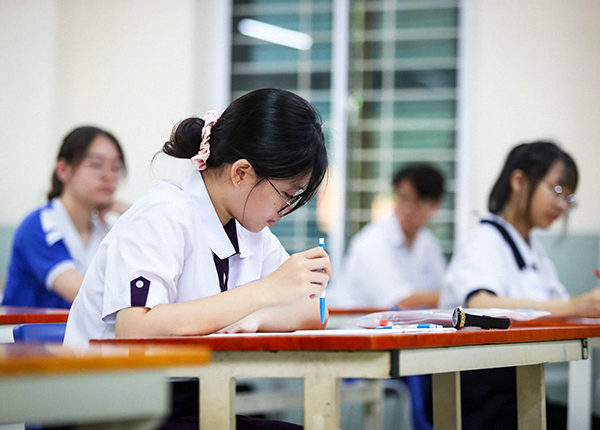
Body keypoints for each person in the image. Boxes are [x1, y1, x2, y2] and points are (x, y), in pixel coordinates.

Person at [64, 88, 331, 430]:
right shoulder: (163, 214)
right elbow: (136, 329)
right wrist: (264, 292)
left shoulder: (249, 228)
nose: (287, 209)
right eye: (287, 194)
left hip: (190, 399)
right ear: (241, 173)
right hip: (109, 406)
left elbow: (316, 310)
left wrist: (259, 317)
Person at [432, 140, 600, 430]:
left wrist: (585, 307)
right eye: (557, 190)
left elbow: (561, 308)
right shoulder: (484, 240)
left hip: (520, 391)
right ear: (519, 181)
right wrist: (576, 305)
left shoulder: (532, 249)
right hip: (476, 400)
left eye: (569, 198)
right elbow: (480, 304)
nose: (562, 205)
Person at [2, 126, 127, 309]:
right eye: (96, 165)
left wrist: (128, 211)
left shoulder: (108, 227)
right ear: (63, 169)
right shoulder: (39, 225)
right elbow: (85, 297)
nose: (108, 176)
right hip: (28, 328)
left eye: (116, 168)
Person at [329, 164, 446, 310]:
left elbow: (442, 287)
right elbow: (400, 301)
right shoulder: (373, 241)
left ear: (435, 205)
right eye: (404, 198)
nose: (409, 209)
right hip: (352, 321)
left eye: (418, 202)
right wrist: (462, 295)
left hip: (399, 322)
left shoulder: (427, 242)